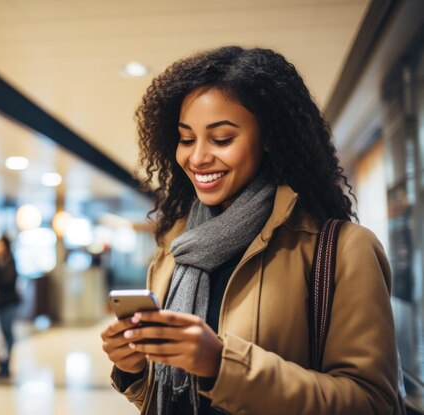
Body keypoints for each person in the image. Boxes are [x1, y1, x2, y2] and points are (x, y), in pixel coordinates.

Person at [100, 46, 404, 414]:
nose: (197, 158)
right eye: (186, 138)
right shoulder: (175, 251)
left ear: (269, 139)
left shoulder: (342, 250)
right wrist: (133, 370)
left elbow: (372, 404)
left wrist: (223, 365)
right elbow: (173, 397)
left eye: (222, 138)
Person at [0, 234, 20, 378]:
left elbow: (8, 281)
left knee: (8, 332)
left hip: (9, 302)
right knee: (2, 333)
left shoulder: (10, 261)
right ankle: (2, 362)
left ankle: (6, 363)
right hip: (0, 302)